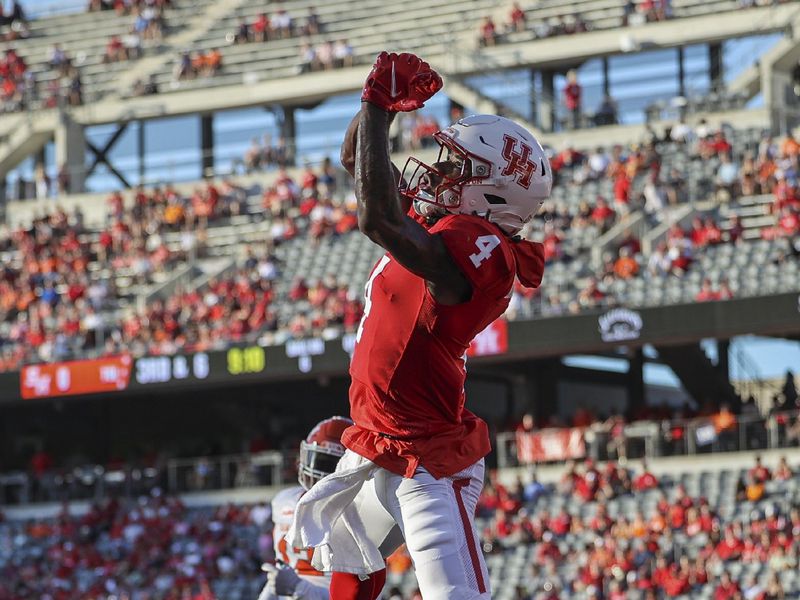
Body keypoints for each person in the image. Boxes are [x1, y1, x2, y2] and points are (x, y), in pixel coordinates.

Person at [288, 52, 550, 600]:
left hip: (427, 460)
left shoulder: (485, 248)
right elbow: (356, 163)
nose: (442, 170)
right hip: (378, 436)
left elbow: (376, 218)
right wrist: (378, 104)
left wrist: (379, 105)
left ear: (496, 188)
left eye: (459, 166)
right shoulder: (444, 221)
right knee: (347, 555)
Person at [259, 416, 402, 599]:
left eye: (331, 465)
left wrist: (299, 588)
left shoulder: (360, 515)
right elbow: (280, 571)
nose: (320, 473)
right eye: (318, 460)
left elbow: (355, 593)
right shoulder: (284, 501)